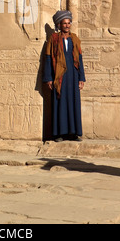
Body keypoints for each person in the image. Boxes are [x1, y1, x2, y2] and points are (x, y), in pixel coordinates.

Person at [43, 10, 86, 142]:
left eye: (68, 23)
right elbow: (48, 59)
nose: (67, 26)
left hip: (73, 75)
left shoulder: (75, 39)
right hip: (59, 76)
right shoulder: (53, 39)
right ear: (59, 25)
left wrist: (81, 78)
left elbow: (79, 59)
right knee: (60, 102)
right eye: (64, 23)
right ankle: (59, 134)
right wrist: (49, 78)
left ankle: (73, 133)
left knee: (73, 102)